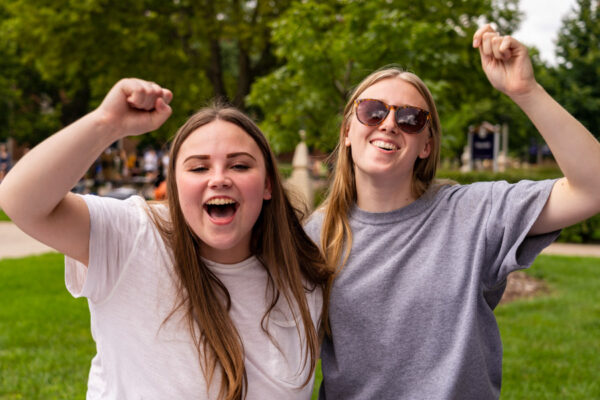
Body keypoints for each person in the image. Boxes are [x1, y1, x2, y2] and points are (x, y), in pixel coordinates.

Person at [304, 24, 600, 399]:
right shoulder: (315, 235)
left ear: (426, 146)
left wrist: (526, 91)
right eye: (373, 111)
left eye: (411, 118)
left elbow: (593, 189)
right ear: (348, 130)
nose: (390, 123)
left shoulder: (474, 214)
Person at [0, 78, 331, 399]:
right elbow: (21, 201)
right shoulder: (135, 236)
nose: (219, 179)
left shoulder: (302, 276)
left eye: (240, 166)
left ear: (268, 184)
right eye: (199, 168)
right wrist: (107, 124)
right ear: (174, 186)